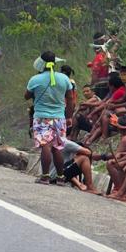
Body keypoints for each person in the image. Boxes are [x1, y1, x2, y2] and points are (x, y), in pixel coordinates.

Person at [24, 52, 75, 185]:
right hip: (59, 117)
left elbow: (26, 96)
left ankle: (45, 176)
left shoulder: (35, 79)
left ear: (41, 63)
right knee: (57, 147)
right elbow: (70, 99)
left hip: (41, 117)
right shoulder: (64, 79)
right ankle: (60, 177)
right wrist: (69, 116)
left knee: (45, 145)